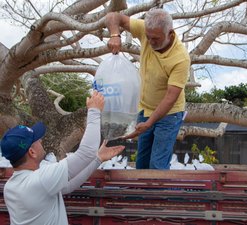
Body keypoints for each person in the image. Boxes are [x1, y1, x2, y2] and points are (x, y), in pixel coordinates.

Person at [0, 91, 125, 225]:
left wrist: (97, 159)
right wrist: (94, 111)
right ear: (32, 152)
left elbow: (67, 186)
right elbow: (86, 151)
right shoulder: (40, 180)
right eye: (36, 139)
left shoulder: (11, 187)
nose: (41, 140)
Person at [105, 8, 190, 169]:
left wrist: (149, 123)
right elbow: (113, 16)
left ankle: (157, 193)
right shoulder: (147, 30)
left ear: (170, 33)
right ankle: (141, 193)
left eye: (156, 39)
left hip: (169, 115)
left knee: (157, 164)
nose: (150, 42)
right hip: (145, 109)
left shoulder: (180, 58)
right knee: (142, 163)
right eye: (148, 37)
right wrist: (115, 35)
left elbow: (171, 97)